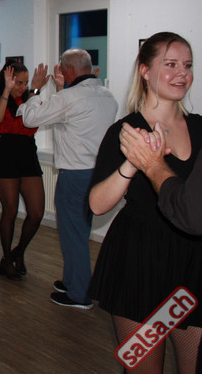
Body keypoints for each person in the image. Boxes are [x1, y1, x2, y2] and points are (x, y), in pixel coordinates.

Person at [88, 31, 202, 373]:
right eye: (171, 64)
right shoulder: (125, 131)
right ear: (145, 71)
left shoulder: (199, 127)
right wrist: (133, 162)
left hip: (192, 266)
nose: (182, 74)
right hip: (141, 264)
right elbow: (97, 205)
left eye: (187, 66)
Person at [17, 49, 118, 307]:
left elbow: (29, 118)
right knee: (79, 232)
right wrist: (62, 90)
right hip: (100, 175)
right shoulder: (107, 96)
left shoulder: (70, 98)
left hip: (75, 176)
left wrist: (35, 90)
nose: (60, 73)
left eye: (62, 70)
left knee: (73, 236)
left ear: (70, 70)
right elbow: (72, 117)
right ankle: (73, 281)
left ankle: (79, 294)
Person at [0, 62, 45, 281]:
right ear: (9, 81)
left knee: (36, 212)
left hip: (27, 153)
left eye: (25, 83)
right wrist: (7, 90)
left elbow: (38, 117)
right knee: (10, 211)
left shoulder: (30, 99)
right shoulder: (0, 99)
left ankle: (18, 252)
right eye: (18, 83)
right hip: (5, 154)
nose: (22, 87)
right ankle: (7, 259)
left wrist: (36, 90)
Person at [120, 121, 202, 235]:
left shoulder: (197, 125)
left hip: (186, 238)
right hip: (143, 235)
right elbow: (98, 205)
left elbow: (193, 213)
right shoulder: (134, 125)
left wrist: (151, 164)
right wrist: (134, 162)